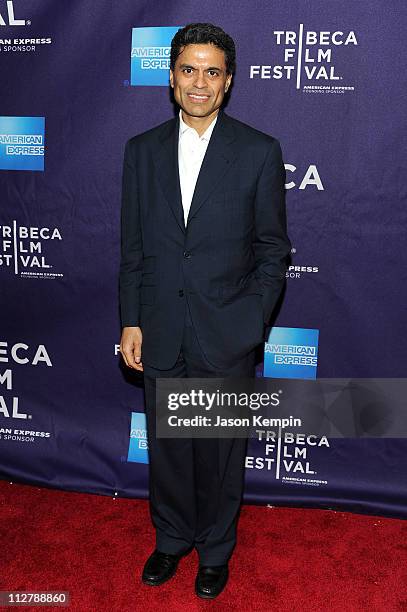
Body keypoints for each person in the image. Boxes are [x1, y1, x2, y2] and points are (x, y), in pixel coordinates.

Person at [119, 22, 291, 599]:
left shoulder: (260, 151)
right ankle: (171, 540)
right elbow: (133, 249)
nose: (199, 82)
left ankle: (216, 550)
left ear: (228, 83)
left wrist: (251, 320)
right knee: (169, 447)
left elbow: (272, 249)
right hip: (161, 328)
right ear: (170, 79)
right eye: (188, 69)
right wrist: (131, 319)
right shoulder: (141, 152)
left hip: (227, 332)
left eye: (211, 71)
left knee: (219, 454)